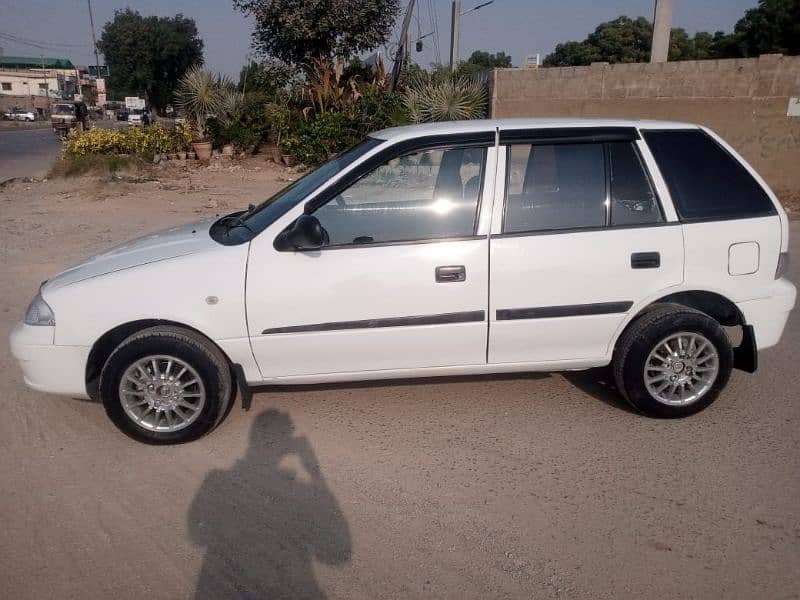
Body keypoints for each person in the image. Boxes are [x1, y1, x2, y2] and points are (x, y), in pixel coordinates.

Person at [189, 410, 351, 599]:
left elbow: (198, 536)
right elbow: (337, 554)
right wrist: (315, 472)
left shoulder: (216, 480)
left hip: (226, 588)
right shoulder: (300, 493)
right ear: (285, 445)